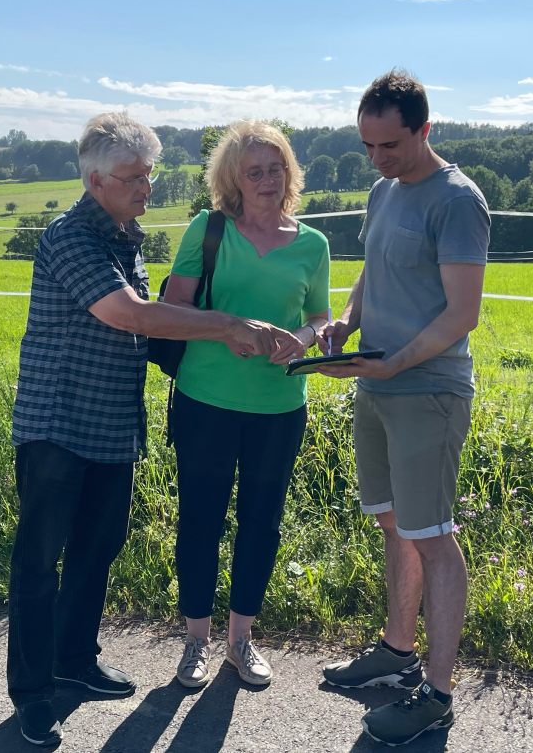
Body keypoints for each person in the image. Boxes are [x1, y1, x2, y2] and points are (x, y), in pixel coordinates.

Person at [6, 112, 292, 746]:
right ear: (95, 179)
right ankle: (31, 693)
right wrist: (226, 326)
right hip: (58, 421)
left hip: (109, 425)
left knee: (94, 550)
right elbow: (129, 314)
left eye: (150, 174)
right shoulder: (70, 236)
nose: (148, 188)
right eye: (135, 178)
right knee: (39, 562)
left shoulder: (123, 235)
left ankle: (75, 662)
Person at [317, 70, 490, 746]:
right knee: (395, 525)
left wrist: (394, 362)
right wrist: (347, 323)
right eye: (367, 146)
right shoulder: (383, 190)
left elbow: (461, 314)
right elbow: (370, 269)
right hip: (377, 384)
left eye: (389, 145)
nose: (376, 159)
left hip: (429, 391)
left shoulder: (457, 200)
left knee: (434, 539)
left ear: (425, 129)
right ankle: (395, 654)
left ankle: (438, 696)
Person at [162, 120, 330, 688]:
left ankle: (241, 640)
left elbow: (319, 316)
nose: (265, 179)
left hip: (280, 406)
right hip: (205, 401)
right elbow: (173, 310)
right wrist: (223, 330)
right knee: (200, 521)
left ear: (289, 172)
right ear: (232, 179)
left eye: (274, 167)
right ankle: (194, 642)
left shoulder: (313, 244)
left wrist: (303, 341)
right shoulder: (207, 232)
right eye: (252, 171)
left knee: (262, 524)